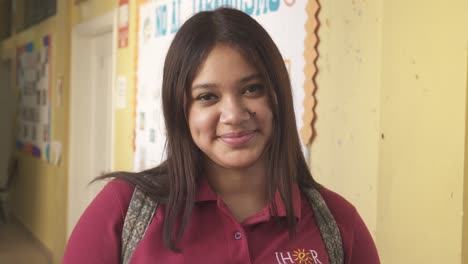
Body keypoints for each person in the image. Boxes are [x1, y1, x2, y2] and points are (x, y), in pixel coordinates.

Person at [63, 7, 380, 264]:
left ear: (278, 96)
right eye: (207, 97)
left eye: (251, 89)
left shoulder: (337, 223)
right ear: (181, 111)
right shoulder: (122, 211)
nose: (233, 114)